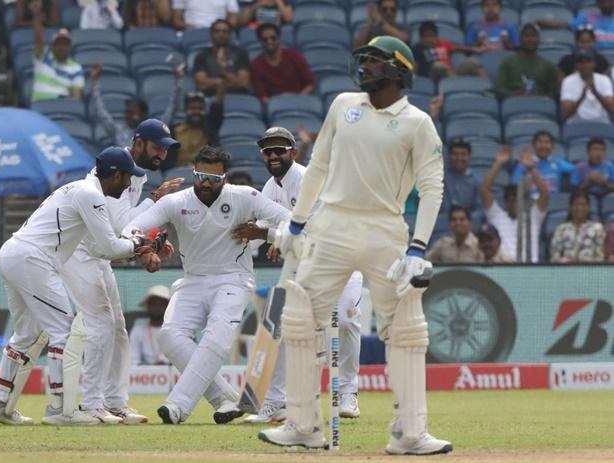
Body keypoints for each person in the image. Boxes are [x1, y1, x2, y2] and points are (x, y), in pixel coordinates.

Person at [257, 36, 452, 455]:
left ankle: (410, 433)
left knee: (404, 330)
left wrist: (418, 248)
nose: (364, 66)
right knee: (300, 316)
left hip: (386, 231)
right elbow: (320, 166)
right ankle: (302, 425)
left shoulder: (418, 122)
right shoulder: (343, 105)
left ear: (399, 70)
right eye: (363, 59)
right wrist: (295, 224)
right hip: (331, 226)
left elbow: (433, 188)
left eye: (375, 60)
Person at [0, 147, 158, 426]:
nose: (127, 186)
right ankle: (61, 410)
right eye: (126, 179)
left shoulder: (78, 188)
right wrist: (138, 245)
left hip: (14, 253)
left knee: (26, 333)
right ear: (116, 175)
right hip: (33, 259)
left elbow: (100, 248)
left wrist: (137, 246)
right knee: (62, 331)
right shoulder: (92, 196)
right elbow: (110, 247)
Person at [122, 145, 291, 425]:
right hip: (193, 279)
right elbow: (133, 227)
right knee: (169, 337)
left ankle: (177, 405)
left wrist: (265, 233)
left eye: (213, 179)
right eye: (200, 176)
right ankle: (226, 397)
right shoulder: (177, 202)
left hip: (233, 279)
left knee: (215, 337)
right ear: (193, 172)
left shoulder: (245, 196)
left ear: (224, 178)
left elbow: (291, 221)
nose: (205, 183)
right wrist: (145, 249)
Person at [229, 127, 363, 423]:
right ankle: (276, 403)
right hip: (304, 268)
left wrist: (271, 236)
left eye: (280, 150)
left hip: (340, 259)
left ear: (293, 152)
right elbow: (258, 234)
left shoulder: (307, 180)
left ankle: (348, 392)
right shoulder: (269, 188)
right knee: (286, 330)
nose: (274, 155)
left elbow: (314, 231)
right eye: (268, 151)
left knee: (344, 317)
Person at [59, 120, 181, 425]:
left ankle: (115, 401)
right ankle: (91, 404)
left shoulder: (135, 175)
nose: (161, 156)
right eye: (157, 147)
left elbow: (126, 227)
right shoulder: (115, 170)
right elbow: (118, 227)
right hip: (81, 254)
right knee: (100, 325)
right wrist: (155, 204)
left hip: (100, 256)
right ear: (138, 143)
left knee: (117, 329)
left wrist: (149, 244)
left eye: (166, 150)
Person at [480, 146, 549, 262]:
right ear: (505, 203)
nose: (513, 203)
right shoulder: (497, 215)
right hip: (503, 266)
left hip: (530, 269)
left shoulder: (533, 216)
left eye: (516, 200)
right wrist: (498, 164)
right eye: (510, 200)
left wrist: (531, 169)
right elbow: (484, 191)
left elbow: (545, 194)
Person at [89, 63, 154, 147]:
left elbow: (171, 112)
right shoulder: (117, 131)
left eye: (132, 112)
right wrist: (94, 81)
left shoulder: (151, 134)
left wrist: (177, 82)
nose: (128, 115)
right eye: (127, 112)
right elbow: (99, 110)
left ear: (142, 114)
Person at [31, 2, 84, 102]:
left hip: (62, 109)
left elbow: (76, 98)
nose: (62, 47)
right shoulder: (43, 58)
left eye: (65, 44)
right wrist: (37, 15)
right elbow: (38, 38)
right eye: (58, 44)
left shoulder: (76, 68)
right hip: (40, 109)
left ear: (70, 48)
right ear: (52, 46)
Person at [251, 23, 315, 105]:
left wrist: (298, 100)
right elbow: (262, 96)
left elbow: (310, 84)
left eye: (273, 38)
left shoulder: (295, 56)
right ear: (260, 41)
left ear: (279, 38)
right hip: (274, 108)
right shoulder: (256, 65)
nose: (269, 41)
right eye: (265, 39)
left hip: (299, 103)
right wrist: (278, 105)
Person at [495, 24, 558, 98]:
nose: (530, 39)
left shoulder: (548, 65)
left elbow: (554, 93)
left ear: (539, 39)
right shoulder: (507, 63)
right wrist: (517, 94)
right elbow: (499, 90)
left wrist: (539, 96)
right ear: (520, 39)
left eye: (533, 36)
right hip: (514, 104)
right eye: (526, 36)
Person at [167, 87, 224, 168]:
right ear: (185, 109)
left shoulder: (209, 129)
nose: (196, 112)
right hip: (178, 173)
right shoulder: (174, 131)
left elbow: (217, 107)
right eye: (192, 108)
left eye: (200, 108)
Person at [193, 20, 251, 96]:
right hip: (211, 98)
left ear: (230, 35)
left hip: (237, 97)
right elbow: (202, 84)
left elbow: (243, 82)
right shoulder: (202, 56)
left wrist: (222, 74)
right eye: (217, 31)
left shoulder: (240, 53)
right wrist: (232, 80)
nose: (221, 34)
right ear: (211, 35)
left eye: (225, 32)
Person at [412, 21, 483, 81]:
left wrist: (474, 49)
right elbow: (415, 66)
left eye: (431, 36)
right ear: (421, 38)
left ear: (436, 36)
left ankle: (486, 88)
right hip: (432, 76)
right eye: (426, 36)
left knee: (472, 62)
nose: (429, 39)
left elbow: (457, 48)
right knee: (438, 66)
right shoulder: (417, 49)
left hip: (451, 73)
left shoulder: (443, 44)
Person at [511, 131, 576, 195]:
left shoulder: (558, 163)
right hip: (531, 202)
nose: (543, 146)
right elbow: (515, 184)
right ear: (533, 145)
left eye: (547, 142)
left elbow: (576, 170)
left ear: (552, 146)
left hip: (554, 202)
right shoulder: (525, 164)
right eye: (540, 142)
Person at [561, 48, 614, 123]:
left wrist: (596, 93)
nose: (585, 65)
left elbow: (612, 108)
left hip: (601, 123)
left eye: (588, 62)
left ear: (594, 63)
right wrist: (582, 96)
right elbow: (565, 113)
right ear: (576, 65)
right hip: (576, 124)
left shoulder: (604, 79)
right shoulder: (568, 81)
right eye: (581, 62)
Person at [550, 191, 605, 263]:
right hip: (565, 270)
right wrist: (561, 261)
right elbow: (554, 256)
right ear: (570, 207)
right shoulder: (561, 229)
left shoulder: (597, 229)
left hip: (590, 270)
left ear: (588, 207)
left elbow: (600, 256)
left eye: (583, 205)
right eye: (576, 205)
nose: (580, 208)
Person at [539, 0, 614, 50]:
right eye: (603, 2)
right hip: (592, 59)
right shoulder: (588, 18)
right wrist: (540, 23)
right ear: (598, 3)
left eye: (609, 1)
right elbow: (564, 25)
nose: (606, 5)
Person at [130, 285, 172, 366]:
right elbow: (133, 361)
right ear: (147, 306)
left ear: (168, 307)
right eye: (153, 304)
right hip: (146, 376)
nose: (156, 307)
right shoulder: (138, 331)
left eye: (160, 304)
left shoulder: (174, 331)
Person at [442, 138, 481, 215]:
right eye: (455, 154)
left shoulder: (476, 182)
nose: (459, 158)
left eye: (463, 154)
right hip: (440, 223)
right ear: (449, 156)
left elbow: (479, 211)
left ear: (469, 156)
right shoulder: (440, 178)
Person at [172, 0, 239, 30]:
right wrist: (186, 26)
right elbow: (176, 20)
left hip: (219, 33)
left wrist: (223, 28)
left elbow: (234, 17)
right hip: (191, 32)